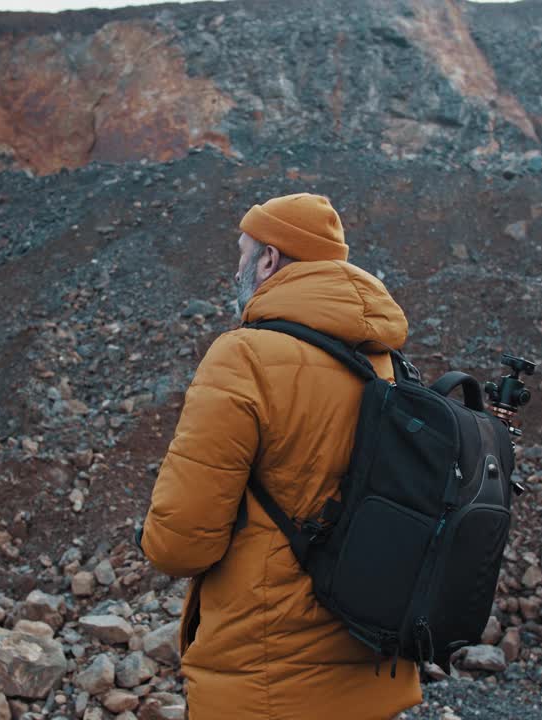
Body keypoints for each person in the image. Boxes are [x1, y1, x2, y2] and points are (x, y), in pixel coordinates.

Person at [140, 193, 422, 719]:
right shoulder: (385, 361)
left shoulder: (244, 355)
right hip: (373, 658)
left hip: (268, 679)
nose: (237, 266)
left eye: (242, 252)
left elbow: (180, 546)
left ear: (269, 259)